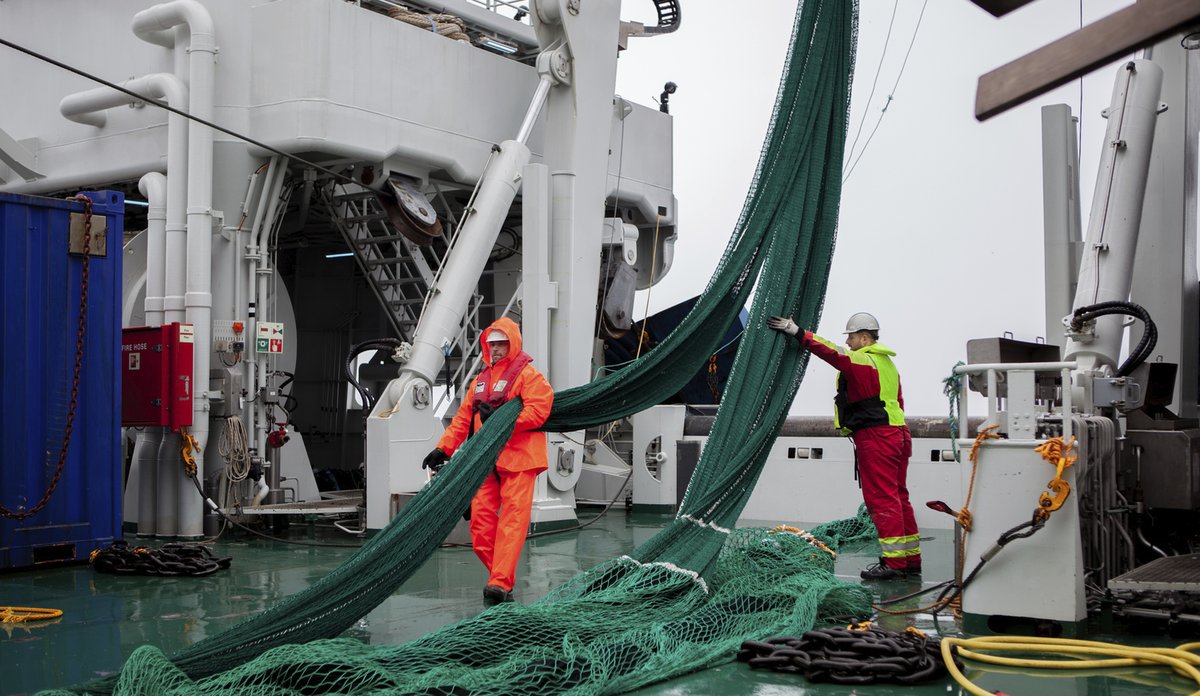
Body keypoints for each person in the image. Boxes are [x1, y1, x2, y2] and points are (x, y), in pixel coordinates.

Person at [767, 311, 921, 580]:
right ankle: (910, 559)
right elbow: (897, 401)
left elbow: (833, 352)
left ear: (864, 337)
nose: (848, 341)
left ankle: (894, 564)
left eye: (851, 336)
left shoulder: (863, 360)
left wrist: (798, 332)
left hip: (877, 438)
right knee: (898, 496)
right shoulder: (887, 364)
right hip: (898, 434)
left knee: (882, 499)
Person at [421, 317, 554, 605]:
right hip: (485, 461)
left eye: (501, 344)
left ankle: (499, 583)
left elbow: (539, 411)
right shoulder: (480, 382)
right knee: (480, 525)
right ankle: (500, 578)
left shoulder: (529, 376)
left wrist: (502, 420)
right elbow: (462, 420)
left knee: (512, 523)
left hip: (520, 460)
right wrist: (442, 450)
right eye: (491, 344)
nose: (495, 350)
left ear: (513, 343)